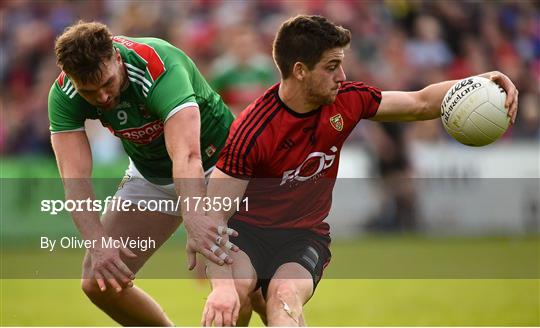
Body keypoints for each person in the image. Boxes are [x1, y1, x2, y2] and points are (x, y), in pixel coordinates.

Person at [201, 14, 519, 327]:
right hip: (247, 235)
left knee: (283, 298)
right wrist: (224, 288)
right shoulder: (252, 131)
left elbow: (420, 103)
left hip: (302, 236)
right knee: (236, 296)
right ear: (299, 71)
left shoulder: (347, 100)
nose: (342, 75)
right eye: (330, 67)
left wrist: (478, 82)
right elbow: (215, 216)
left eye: (341, 64)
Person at [49, 21, 240, 326]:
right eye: (89, 91)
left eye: (107, 83)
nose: (101, 98)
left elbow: (186, 154)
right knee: (100, 283)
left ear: (116, 57)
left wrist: (194, 219)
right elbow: (74, 178)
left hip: (221, 168)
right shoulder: (63, 93)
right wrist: (98, 242)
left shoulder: (158, 65)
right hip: (151, 175)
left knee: (248, 288)